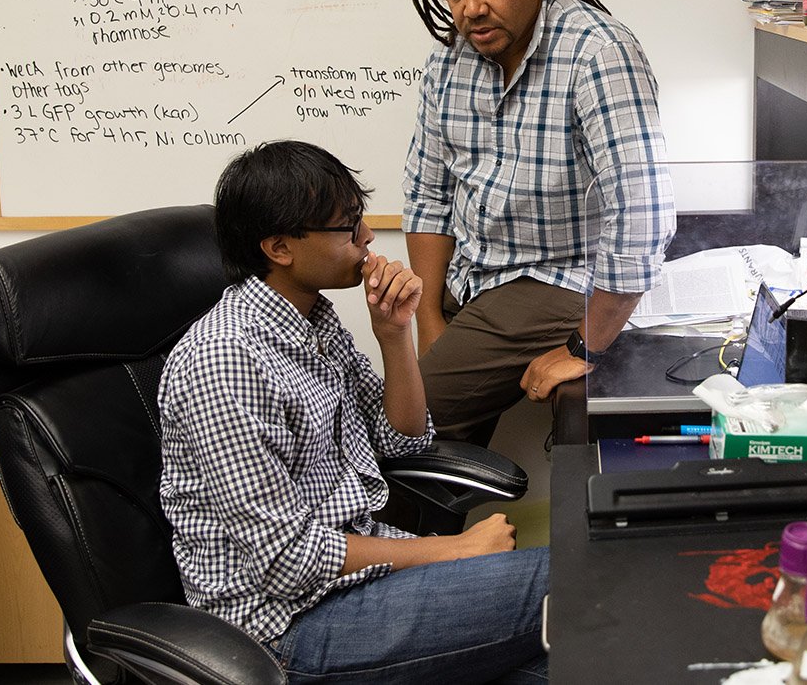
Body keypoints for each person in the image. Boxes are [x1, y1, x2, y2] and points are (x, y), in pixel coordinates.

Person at [158, 140, 549, 683]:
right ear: (279, 247)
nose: (366, 237)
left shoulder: (312, 321)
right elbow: (286, 560)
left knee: (570, 652)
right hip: (285, 629)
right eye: (347, 227)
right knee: (571, 581)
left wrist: (395, 333)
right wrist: (453, 550)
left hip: (354, 580)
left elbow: (403, 440)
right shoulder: (224, 361)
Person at [403, 0, 677, 446]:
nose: (471, 8)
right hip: (471, 274)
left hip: (553, 277)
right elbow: (428, 193)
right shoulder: (449, 59)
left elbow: (641, 212)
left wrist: (585, 345)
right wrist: (427, 316)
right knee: (431, 443)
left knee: (402, 421)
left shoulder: (598, 52)